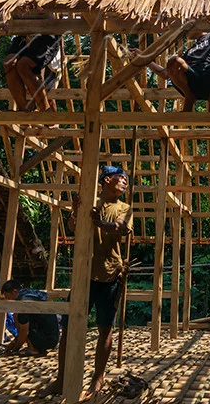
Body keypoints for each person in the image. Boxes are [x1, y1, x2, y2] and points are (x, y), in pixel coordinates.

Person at [42, 165, 133, 399]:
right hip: (84, 275)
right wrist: (75, 213)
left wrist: (99, 222)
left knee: (105, 328)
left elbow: (122, 228)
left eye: (126, 179)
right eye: (120, 178)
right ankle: (62, 379)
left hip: (111, 274)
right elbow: (73, 227)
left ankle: (97, 378)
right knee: (70, 328)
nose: (125, 182)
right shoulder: (89, 201)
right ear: (106, 180)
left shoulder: (123, 207)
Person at [1, 0, 62, 113]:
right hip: (23, 34)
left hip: (46, 35)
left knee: (24, 65)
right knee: (8, 62)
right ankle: (24, 109)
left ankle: (45, 108)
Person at [142, 31, 210, 112]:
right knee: (174, 61)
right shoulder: (190, 51)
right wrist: (144, 59)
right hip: (192, 81)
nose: (187, 30)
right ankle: (189, 97)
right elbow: (165, 73)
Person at [0, 280, 62, 356]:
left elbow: (24, 332)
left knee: (22, 321)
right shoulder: (30, 292)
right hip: (54, 338)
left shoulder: (23, 304)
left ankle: (34, 349)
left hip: (46, 340)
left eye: (8, 297)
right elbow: (46, 296)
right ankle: (33, 346)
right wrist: (14, 342)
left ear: (14, 292)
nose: (8, 299)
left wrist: (14, 349)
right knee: (19, 317)